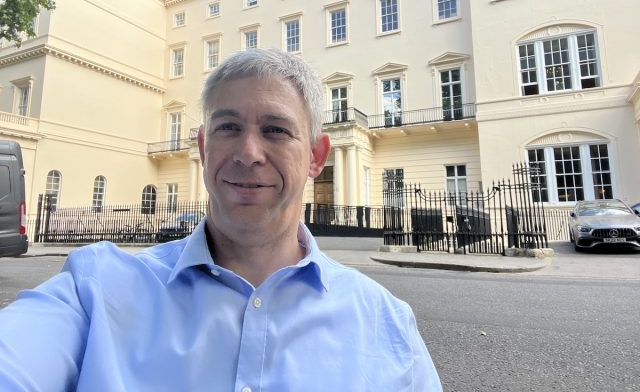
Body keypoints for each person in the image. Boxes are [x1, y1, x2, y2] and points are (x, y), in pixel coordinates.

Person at [0, 49, 442, 391]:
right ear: (204, 147)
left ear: (315, 157)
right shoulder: (94, 289)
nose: (248, 153)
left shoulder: (386, 321)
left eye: (275, 130)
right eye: (228, 127)